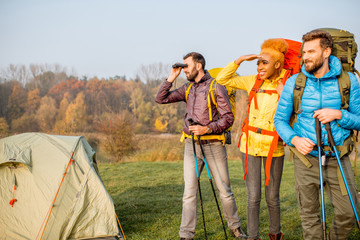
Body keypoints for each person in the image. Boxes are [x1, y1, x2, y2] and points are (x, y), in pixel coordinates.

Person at [274, 29, 360, 240]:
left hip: (338, 157)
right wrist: (294, 139)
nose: (305, 57)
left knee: (349, 212)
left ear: (327, 52)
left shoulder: (348, 81)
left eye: (311, 51)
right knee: (310, 217)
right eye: (304, 52)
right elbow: (279, 120)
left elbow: (358, 119)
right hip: (306, 160)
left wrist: (339, 114)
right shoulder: (295, 83)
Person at [155, 52, 246, 240]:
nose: (184, 69)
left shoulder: (216, 87)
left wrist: (207, 129)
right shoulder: (187, 88)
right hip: (191, 146)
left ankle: (235, 228)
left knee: (225, 191)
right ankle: (186, 234)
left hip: (213, 145)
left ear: (198, 65)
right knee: (189, 192)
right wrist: (171, 78)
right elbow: (161, 98)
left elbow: (228, 118)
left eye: (187, 66)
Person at [216, 38, 288, 240]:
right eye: (258, 62)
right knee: (253, 197)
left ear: (277, 64)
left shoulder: (288, 84)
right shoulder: (252, 81)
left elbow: (296, 113)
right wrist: (239, 60)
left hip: (275, 148)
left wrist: (285, 96)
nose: (259, 66)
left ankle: (275, 235)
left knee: (272, 198)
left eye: (264, 62)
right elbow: (222, 79)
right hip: (249, 146)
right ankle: (253, 237)